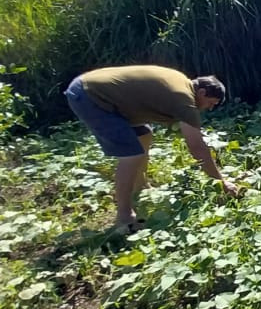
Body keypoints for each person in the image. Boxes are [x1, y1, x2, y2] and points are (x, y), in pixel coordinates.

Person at [64, 65, 240, 230]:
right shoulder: (184, 99)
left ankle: (140, 186)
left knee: (144, 135)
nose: (209, 108)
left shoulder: (181, 81)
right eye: (211, 103)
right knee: (131, 154)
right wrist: (222, 184)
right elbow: (197, 148)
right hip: (90, 96)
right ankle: (124, 216)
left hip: (93, 87)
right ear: (201, 92)